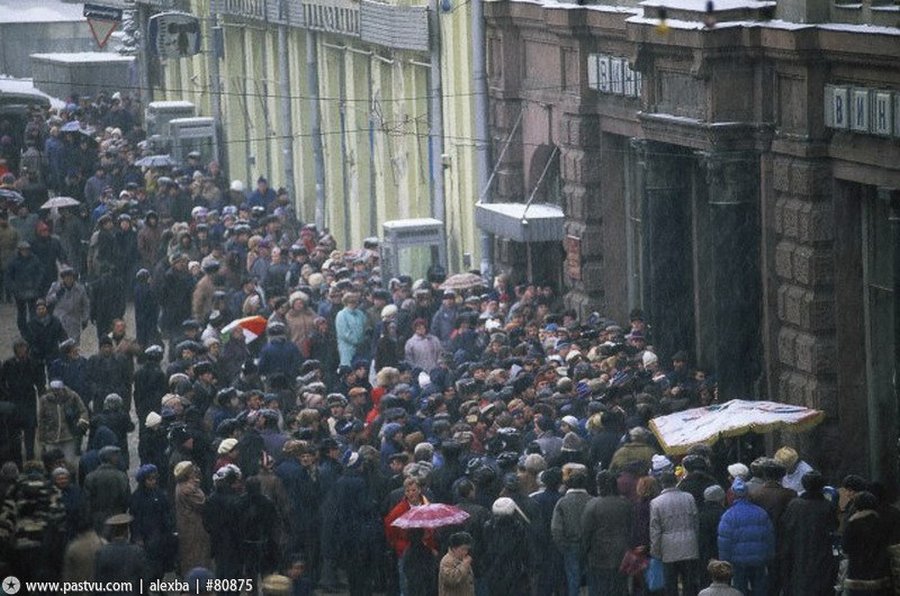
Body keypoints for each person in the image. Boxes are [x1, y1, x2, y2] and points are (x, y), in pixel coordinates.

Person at [780, 471, 838, 596]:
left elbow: (786, 526)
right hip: (821, 552)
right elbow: (834, 526)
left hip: (798, 551)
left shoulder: (794, 505)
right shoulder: (827, 506)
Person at [716, 478, 774, 596]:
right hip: (759, 560)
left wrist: (725, 562)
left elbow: (724, 542)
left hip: (738, 563)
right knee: (760, 589)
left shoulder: (728, 515)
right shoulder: (761, 512)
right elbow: (769, 538)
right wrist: (768, 557)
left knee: (739, 590)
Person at [581, 470, 632, 596]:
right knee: (621, 587)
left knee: (602, 589)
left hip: (599, 555)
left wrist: (585, 551)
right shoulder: (625, 504)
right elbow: (631, 527)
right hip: (622, 553)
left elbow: (586, 531)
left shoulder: (592, 505)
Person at [650, 471, 700, 596]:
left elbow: (655, 530)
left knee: (670, 586)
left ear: (662, 484)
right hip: (690, 545)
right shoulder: (689, 497)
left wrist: (655, 552)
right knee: (689, 584)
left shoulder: (656, 502)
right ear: (676, 482)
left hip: (668, 549)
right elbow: (696, 522)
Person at [551, 464, 592, 596]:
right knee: (591, 579)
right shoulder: (592, 501)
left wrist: (563, 547)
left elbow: (556, 528)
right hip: (590, 546)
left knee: (573, 579)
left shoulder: (562, 502)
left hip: (571, 546)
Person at [842, 491, 892, 596]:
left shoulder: (852, 524)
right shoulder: (881, 522)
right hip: (880, 574)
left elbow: (845, 548)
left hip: (857, 575)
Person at [93, 513, 148, 595]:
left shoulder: (102, 552)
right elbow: (143, 581)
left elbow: (98, 583)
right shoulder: (137, 552)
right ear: (127, 531)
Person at [37, 378, 89, 461]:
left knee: (69, 463)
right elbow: (41, 420)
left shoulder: (73, 396)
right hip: (51, 438)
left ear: (62, 388)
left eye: (58, 390)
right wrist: (42, 439)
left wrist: (82, 421)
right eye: (54, 390)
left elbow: (83, 411)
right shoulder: (44, 400)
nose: (56, 392)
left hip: (69, 437)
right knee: (52, 464)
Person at [45, 266, 90, 345]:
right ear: (63, 278)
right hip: (59, 320)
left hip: (74, 322)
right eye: (66, 277)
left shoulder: (80, 289)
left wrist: (85, 319)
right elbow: (47, 301)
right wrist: (57, 295)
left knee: (73, 346)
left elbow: (86, 305)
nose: (68, 279)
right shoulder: (56, 286)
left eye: (70, 276)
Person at [439, 531, 475, 596]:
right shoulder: (447, 561)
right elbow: (452, 580)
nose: (465, 552)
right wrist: (464, 565)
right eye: (463, 549)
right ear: (454, 548)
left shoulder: (462, 559)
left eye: (467, 549)